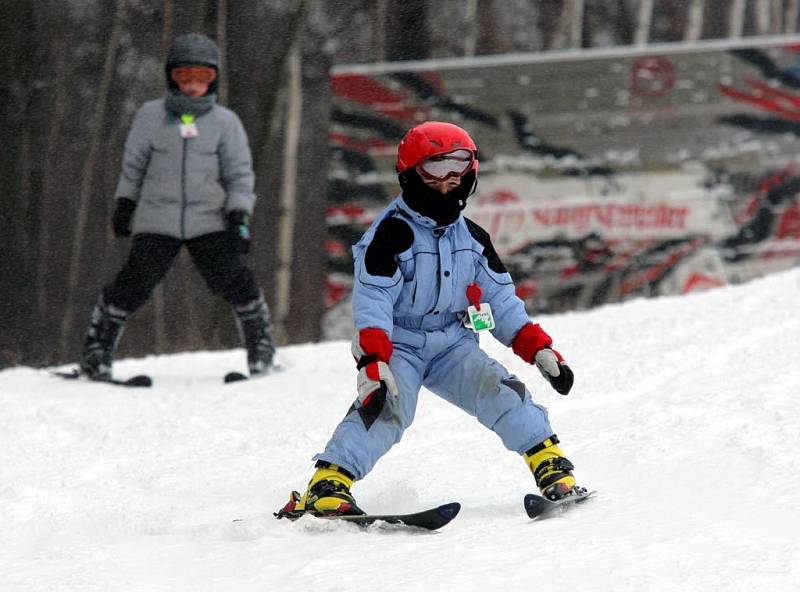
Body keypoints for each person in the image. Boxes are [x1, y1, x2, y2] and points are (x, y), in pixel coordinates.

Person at [278, 121, 580, 518]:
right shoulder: (390, 235)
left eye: (459, 169)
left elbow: (501, 300)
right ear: (411, 174)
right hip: (400, 344)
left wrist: (537, 347)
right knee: (386, 406)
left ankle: (552, 467)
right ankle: (329, 483)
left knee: (500, 390)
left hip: (453, 344)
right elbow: (374, 300)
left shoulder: (472, 238)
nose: (448, 182)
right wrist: (374, 360)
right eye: (436, 170)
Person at [79, 33, 275, 381]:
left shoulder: (225, 122)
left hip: (209, 219)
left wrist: (238, 215)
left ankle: (261, 347)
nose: (192, 87)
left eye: (202, 78)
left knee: (233, 279)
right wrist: (125, 203)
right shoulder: (150, 116)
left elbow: (240, 174)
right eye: (185, 77)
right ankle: (97, 351)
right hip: (157, 217)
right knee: (133, 283)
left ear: (213, 79)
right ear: (172, 77)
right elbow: (133, 166)